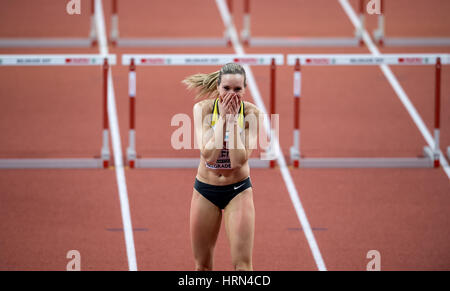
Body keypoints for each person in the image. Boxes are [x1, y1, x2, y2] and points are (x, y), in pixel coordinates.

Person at [183, 63, 261, 271]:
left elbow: (238, 160)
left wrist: (233, 120)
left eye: (237, 89)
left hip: (238, 191)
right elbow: (209, 154)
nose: (231, 95)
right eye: (226, 89)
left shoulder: (252, 114)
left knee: (243, 266)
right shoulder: (203, 109)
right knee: (202, 267)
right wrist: (223, 121)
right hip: (206, 190)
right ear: (218, 87)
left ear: (245, 90)